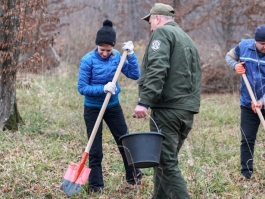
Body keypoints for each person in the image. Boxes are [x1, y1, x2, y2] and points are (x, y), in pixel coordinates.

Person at [133, 3, 201, 199]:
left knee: (166, 162)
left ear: (158, 19)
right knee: (162, 161)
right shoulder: (187, 40)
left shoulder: (162, 34)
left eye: (151, 22)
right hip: (186, 111)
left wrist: (144, 101)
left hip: (168, 109)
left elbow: (157, 69)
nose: (151, 27)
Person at [78, 19, 142, 194]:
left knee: (124, 141)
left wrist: (131, 55)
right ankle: (96, 185)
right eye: (102, 50)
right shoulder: (87, 60)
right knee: (95, 148)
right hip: (92, 108)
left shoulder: (117, 58)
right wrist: (102, 88)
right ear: (97, 46)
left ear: (113, 47)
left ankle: (133, 176)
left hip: (113, 107)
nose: (105, 53)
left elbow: (135, 74)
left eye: (108, 50)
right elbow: (82, 88)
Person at [225, 24, 265, 180]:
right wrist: (235, 66)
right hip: (248, 103)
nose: (264, 47)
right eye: (262, 44)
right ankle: (246, 173)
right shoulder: (243, 46)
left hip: (262, 101)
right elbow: (229, 56)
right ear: (255, 41)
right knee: (247, 139)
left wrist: (261, 101)